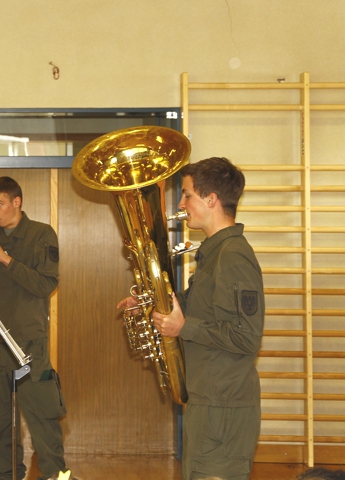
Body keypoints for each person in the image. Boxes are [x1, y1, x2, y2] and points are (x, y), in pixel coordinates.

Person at [118, 157, 265, 480]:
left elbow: (247, 337)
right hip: (209, 402)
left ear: (211, 199)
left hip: (224, 408)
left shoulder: (234, 257)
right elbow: (199, 307)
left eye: (187, 195)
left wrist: (184, 328)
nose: (181, 204)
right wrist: (149, 304)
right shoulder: (215, 252)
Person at [0, 177, 76, 480]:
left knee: (42, 415)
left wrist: (5, 259)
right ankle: (8, 474)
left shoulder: (41, 234)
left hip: (28, 341)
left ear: (17, 202)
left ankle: (55, 475)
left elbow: (46, 285)